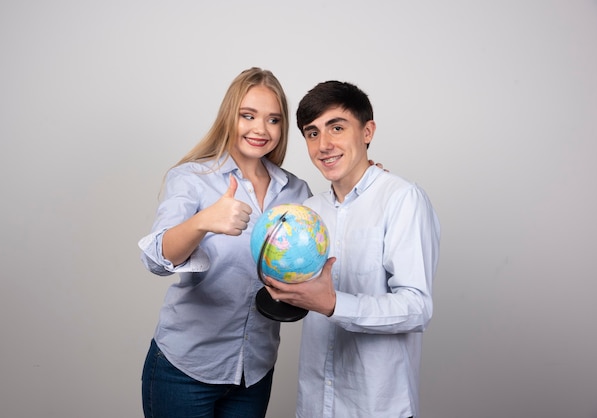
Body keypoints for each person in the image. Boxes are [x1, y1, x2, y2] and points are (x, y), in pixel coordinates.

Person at [137, 67, 311, 418]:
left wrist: (367, 175)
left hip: (254, 371)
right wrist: (203, 222)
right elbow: (156, 260)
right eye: (248, 116)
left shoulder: (297, 192)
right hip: (185, 369)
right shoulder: (192, 178)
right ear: (229, 116)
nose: (261, 129)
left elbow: (320, 251)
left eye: (273, 120)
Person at [265, 80, 441, 418]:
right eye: (312, 133)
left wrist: (333, 304)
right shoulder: (309, 213)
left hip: (376, 406)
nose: (324, 144)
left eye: (337, 127)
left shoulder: (402, 199)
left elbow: (417, 306)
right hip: (315, 404)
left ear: (367, 131)